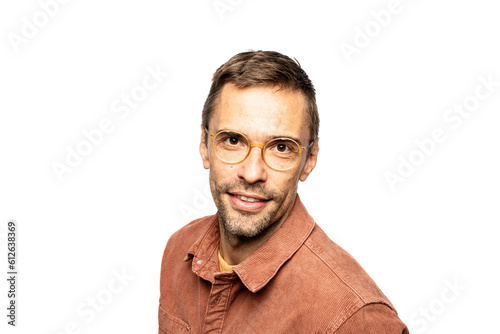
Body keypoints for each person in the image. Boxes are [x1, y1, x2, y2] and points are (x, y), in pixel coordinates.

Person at [158, 50, 409, 333]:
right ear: (205, 145)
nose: (252, 173)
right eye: (232, 140)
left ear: (310, 159)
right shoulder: (178, 250)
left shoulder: (354, 318)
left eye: (281, 147)